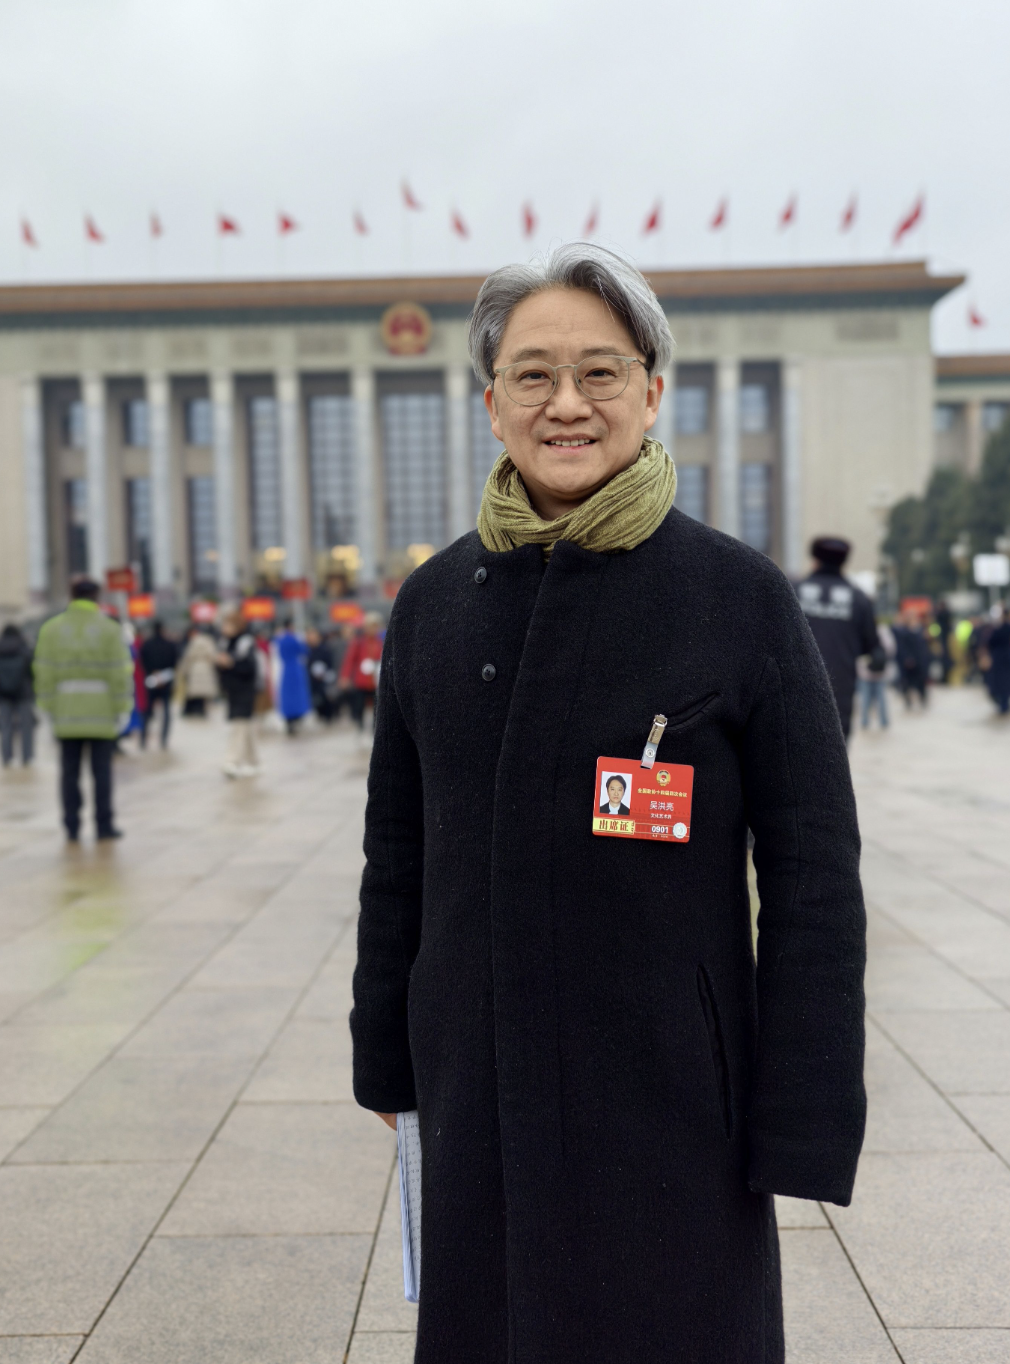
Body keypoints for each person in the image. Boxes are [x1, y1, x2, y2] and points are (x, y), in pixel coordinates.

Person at [350, 243, 867, 1364]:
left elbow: (814, 872)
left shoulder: (736, 597)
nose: (566, 403)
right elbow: (397, 851)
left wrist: (805, 1106)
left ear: (651, 391)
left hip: (669, 1092)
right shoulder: (433, 604)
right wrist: (386, 1054)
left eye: (599, 371)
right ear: (492, 403)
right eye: (532, 375)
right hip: (478, 1084)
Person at [33, 578, 132, 842]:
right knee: (102, 773)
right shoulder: (110, 629)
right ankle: (104, 825)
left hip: (65, 714)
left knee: (69, 773)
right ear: (97, 597)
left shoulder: (51, 629)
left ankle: (71, 825)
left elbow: (43, 672)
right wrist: (123, 708)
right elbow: (119, 673)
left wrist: (46, 707)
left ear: (71, 596)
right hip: (102, 714)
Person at [795, 537, 880, 739]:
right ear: (844, 561)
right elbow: (872, 647)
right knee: (835, 744)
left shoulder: (793, 591)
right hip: (839, 690)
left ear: (815, 559)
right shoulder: (858, 599)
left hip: (793, 689)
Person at [215, 610, 259, 777]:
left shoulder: (246, 643)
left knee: (238, 725)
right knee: (245, 727)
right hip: (232, 690)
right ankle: (254, 762)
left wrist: (231, 662)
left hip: (245, 690)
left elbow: (250, 668)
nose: (224, 628)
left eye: (227, 625)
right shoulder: (225, 643)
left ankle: (232, 761)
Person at [339, 613, 383, 729]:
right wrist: (345, 676)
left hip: (375, 680)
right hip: (361, 680)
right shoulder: (359, 642)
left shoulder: (380, 642)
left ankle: (374, 728)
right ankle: (360, 726)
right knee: (359, 706)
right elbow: (349, 660)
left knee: (376, 706)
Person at [139, 621, 178, 750]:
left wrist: (153, 673)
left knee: (147, 711)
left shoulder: (147, 644)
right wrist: (162, 676)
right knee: (166, 711)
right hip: (166, 681)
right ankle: (164, 739)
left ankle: (143, 739)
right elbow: (174, 661)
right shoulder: (170, 644)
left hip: (150, 680)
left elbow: (142, 660)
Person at [0, 623, 35, 767]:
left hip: (3, 694)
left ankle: (7, 757)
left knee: (6, 727)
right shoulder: (24, 647)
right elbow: (32, 670)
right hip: (23, 692)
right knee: (26, 727)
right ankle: (27, 757)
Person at [856, 620, 896, 730]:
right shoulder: (883, 630)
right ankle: (884, 721)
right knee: (881, 698)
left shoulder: (861, 630)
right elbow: (891, 648)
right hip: (880, 672)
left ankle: (865, 721)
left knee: (865, 698)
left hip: (864, 672)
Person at [275, 620, 312, 734]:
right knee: (297, 695)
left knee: (287, 695)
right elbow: (304, 651)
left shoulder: (280, 640)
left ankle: (289, 720)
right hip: (295, 669)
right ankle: (297, 718)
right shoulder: (295, 639)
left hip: (285, 670)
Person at [894, 610, 932, 709]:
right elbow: (902, 647)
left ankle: (922, 698)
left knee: (921, 681)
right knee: (907, 682)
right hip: (909, 661)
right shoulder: (904, 631)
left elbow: (925, 645)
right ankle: (908, 700)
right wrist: (907, 658)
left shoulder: (921, 629)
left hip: (920, 660)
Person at [178, 626, 219, 715]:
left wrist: (183, 670)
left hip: (194, 667)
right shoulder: (209, 641)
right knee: (203, 693)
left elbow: (188, 657)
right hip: (206, 668)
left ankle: (193, 711)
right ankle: (201, 710)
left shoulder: (193, 641)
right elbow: (213, 655)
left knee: (193, 692)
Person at [306, 627, 336, 722]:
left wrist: (325, 673)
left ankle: (328, 716)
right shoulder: (307, 650)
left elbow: (330, 663)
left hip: (324, 678)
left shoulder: (324, 649)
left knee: (326, 698)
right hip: (312, 679)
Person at [986, 607, 1010, 715]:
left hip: (1000, 658)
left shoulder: (999, 628)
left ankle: (1003, 705)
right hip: (1004, 658)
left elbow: (991, 642)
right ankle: (1004, 704)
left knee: (1000, 682)